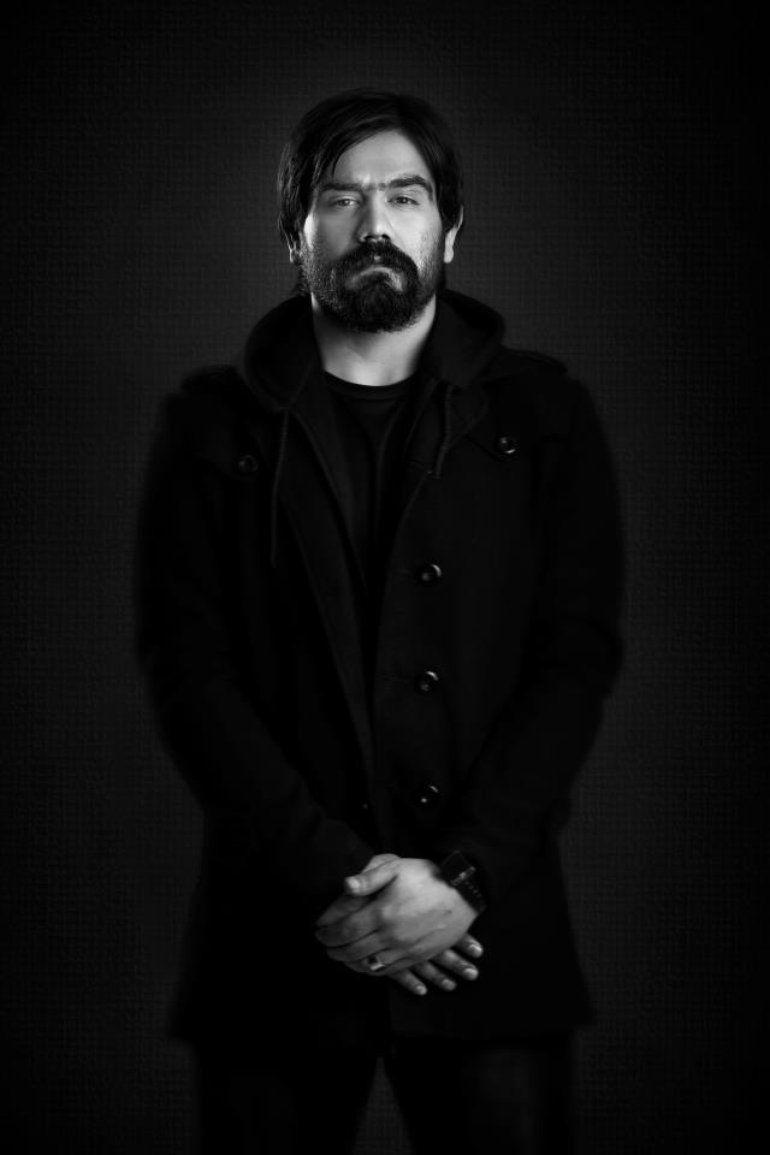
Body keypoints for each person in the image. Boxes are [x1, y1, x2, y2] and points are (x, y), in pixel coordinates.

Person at [134, 88, 623, 1154]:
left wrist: (463, 879)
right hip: (279, 933)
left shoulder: (543, 416)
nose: (373, 224)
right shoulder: (209, 426)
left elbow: (573, 662)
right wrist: (338, 881)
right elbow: (190, 678)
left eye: (404, 196)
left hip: (485, 934)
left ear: (449, 229)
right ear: (294, 234)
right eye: (340, 198)